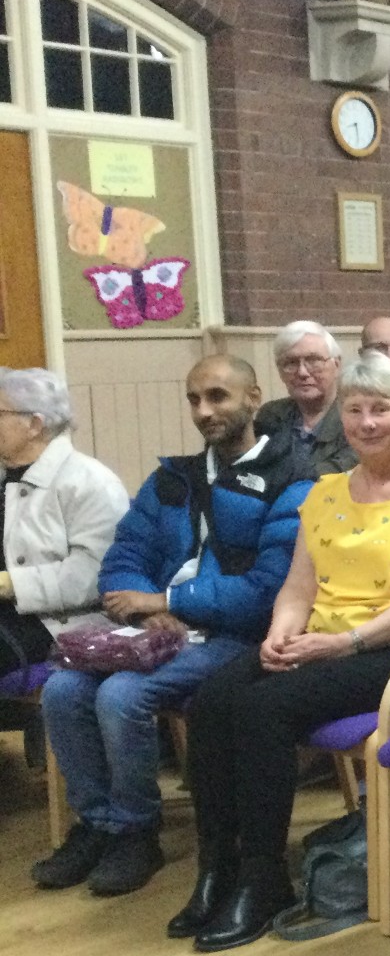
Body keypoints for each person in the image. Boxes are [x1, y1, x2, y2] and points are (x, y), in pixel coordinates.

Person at [176, 353, 390, 952]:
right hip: (320, 639)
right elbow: (298, 587)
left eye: (381, 409)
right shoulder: (325, 492)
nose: (367, 422)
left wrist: (340, 643)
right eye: (355, 409)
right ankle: (218, 865)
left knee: (264, 711)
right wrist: (280, 635)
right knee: (212, 699)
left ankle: (264, 878)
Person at [34, 356, 310, 896]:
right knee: (62, 689)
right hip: (155, 628)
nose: (204, 411)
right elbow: (123, 557)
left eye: (217, 397)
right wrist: (146, 608)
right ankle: (97, 824)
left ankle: (137, 832)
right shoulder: (172, 478)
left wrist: (169, 598)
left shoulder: (292, 479)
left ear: (253, 398)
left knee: (121, 696)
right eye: (193, 400)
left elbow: (269, 591)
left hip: (237, 637)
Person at [0, 368, 128, 680]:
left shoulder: (90, 482)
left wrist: (11, 583)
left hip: (59, 623)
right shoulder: (6, 474)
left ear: (34, 424)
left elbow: (94, 574)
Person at [256, 320, 353, 474]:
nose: (302, 372)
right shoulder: (271, 416)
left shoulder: (355, 417)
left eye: (313, 360)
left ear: (337, 364)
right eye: (291, 363)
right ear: (280, 371)